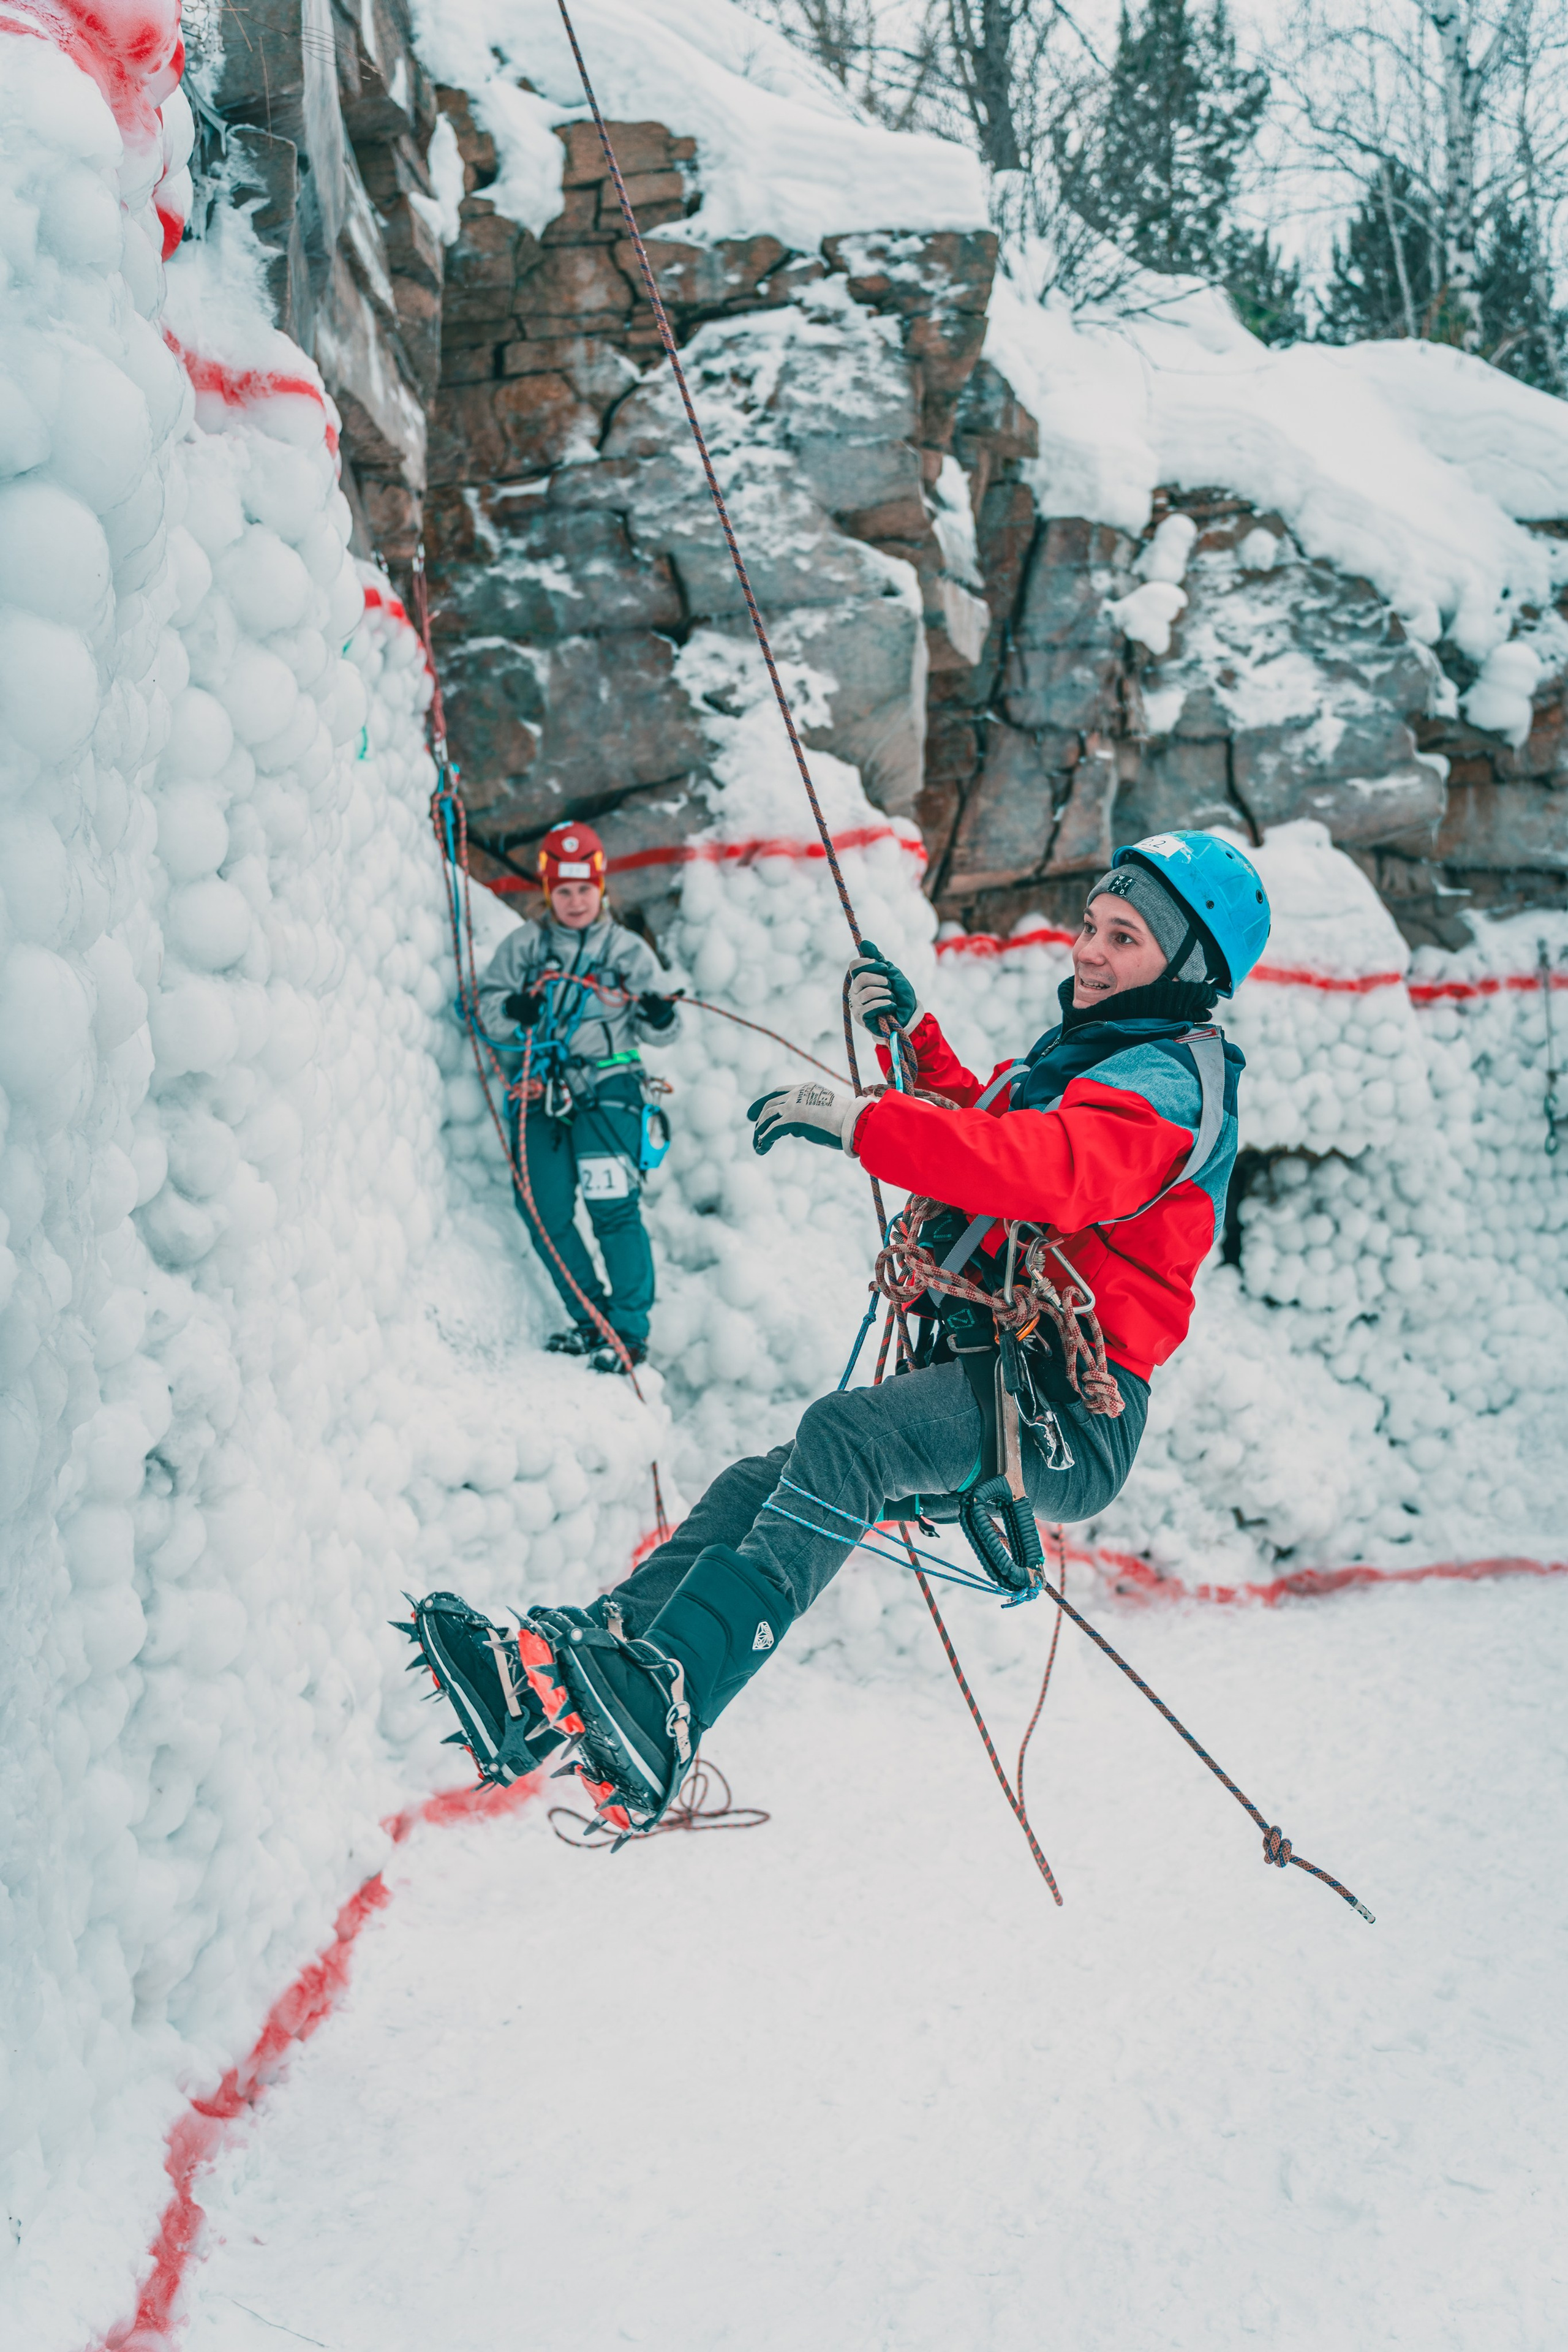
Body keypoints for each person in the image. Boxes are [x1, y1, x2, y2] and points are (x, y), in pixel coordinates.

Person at [405, 831, 1272, 1838]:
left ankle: (664, 1703)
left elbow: (1050, 1166)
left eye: (1125, 938)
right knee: (750, 1487)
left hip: (1067, 1416)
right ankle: (549, 1694)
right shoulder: (1093, 1059)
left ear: (1190, 969)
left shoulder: (1171, 1086)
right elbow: (991, 1118)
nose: (1087, 949)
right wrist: (913, 1043)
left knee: (847, 1441)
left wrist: (866, 1123)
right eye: (1090, 923)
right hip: (1001, 1379)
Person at [476, 821, 680, 1374]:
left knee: (612, 1208)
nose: (573, 902)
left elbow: (663, 1029)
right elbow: (487, 1010)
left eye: (583, 890)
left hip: (610, 1090)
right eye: (563, 891)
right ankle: (593, 1321)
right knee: (542, 1211)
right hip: (539, 1090)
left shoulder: (627, 952)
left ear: (600, 888)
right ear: (548, 892)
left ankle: (629, 1334)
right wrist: (514, 1011)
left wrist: (660, 1014)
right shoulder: (525, 947)